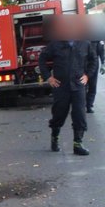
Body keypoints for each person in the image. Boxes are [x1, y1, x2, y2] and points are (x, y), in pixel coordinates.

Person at [38, 16, 99, 155]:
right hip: (61, 86)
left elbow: (93, 60)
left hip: (78, 86)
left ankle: (78, 144)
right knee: (59, 114)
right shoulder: (55, 44)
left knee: (80, 115)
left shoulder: (85, 43)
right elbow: (42, 58)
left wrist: (87, 75)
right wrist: (48, 77)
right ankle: (55, 137)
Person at [86, 40, 105, 113]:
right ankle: (84, 105)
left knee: (92, 86)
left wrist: (103, 63)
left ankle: (89, 105)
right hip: (82, 63)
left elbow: (101, 50)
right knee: (84, 86)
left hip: (93, 64)